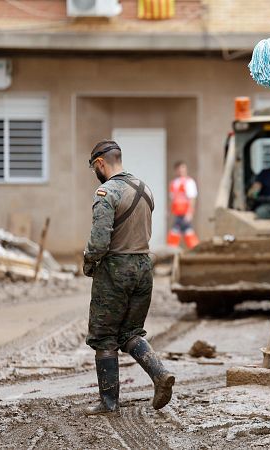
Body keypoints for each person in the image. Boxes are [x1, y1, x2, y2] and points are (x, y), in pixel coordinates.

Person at [82, 140, 175, 415]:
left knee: (104, 336)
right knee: (131, 332)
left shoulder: (106, 191)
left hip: (115, 270)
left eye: (94, 167)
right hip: (144, 267)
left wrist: (89, 262)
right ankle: (160, 374)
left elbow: (99, 242)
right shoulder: (145, 189)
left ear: (100, 163)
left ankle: (109, 402)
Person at [167, 161, 200, 249]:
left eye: (183, 168)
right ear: (176, 170)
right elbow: (172, 199)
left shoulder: (189, 182)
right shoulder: (174, 183)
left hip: (185, 213)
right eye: (179, 169)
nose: (181, 171)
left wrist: (189, 213)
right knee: (186, 232)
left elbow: (192, 198)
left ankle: (172, 251)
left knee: (177, 233)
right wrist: (169, 211)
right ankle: (195, 250)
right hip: (177, 213)